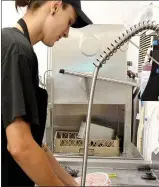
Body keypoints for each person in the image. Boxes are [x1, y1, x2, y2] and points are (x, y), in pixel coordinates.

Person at [1, 0, 92, 186]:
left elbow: (35, 144)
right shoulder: (17, 50)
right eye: (69, 22)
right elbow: (20, 146)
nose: (67, 33)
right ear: (56, 6)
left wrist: (73, 185)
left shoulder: (19, 47)